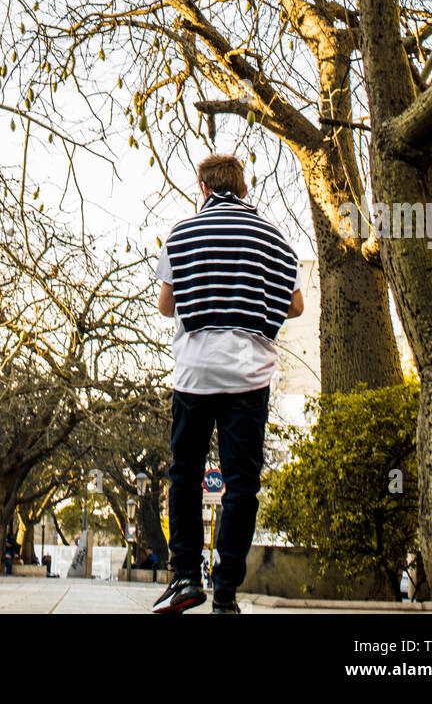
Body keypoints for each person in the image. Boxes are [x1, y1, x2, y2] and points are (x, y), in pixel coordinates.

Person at [151, 153, 303, 615]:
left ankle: (184, 578)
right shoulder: (272, 238)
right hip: (248, 375)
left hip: (196, 371)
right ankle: (227, 594)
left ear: (202, 188)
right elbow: (294, 304)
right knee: (241, 483)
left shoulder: (182, 233)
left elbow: (165, 305)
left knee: (184, 474)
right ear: (244, 187)